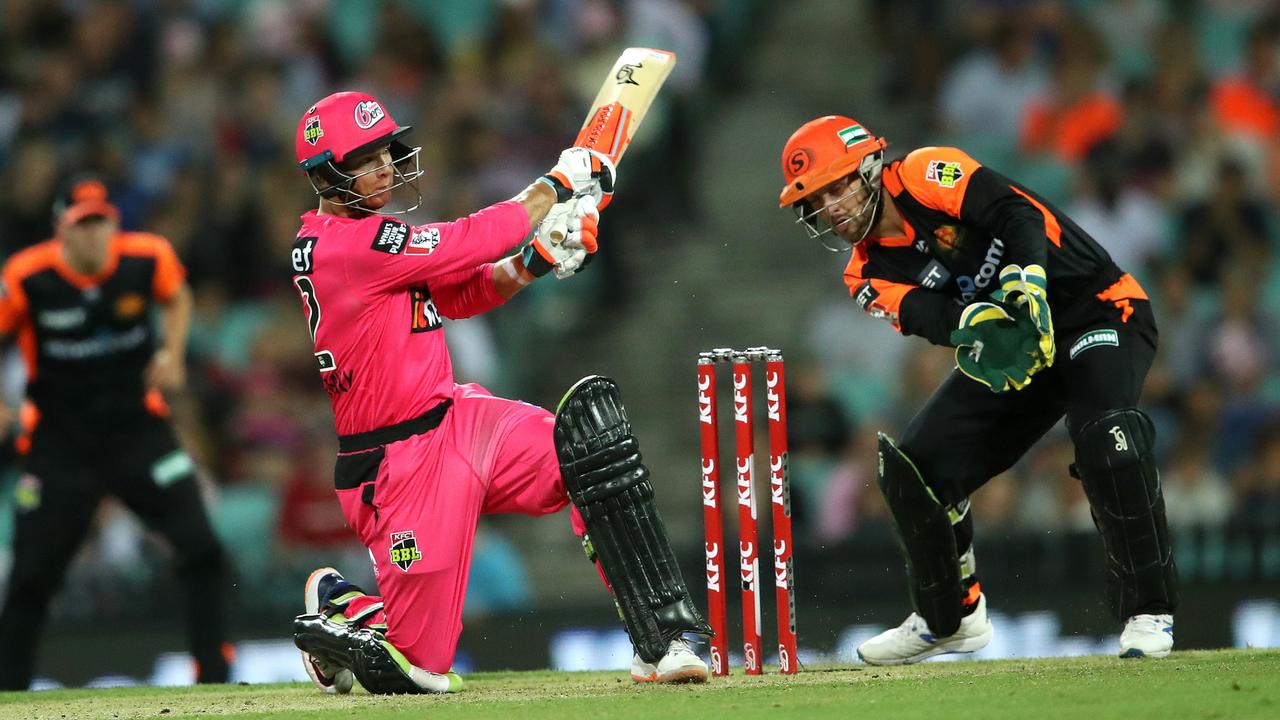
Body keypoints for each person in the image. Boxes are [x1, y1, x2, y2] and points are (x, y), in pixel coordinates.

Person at [288, 91, 710, 694]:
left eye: (385, 151)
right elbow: (470, 242)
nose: (384, 166)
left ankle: (661, 640)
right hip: (395, 466)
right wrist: (555, 185)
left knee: (587, 453)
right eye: (365, 159)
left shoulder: (368, 238)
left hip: (457, 418)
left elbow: (464, 293)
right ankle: (339, 606)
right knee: (418, 670)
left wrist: (537, 261)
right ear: (327, 174)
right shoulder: (349, 246)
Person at [777, 115, 1178, 663]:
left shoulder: (922, 172)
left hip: (1097, 308)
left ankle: (1148, 611)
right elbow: (934, 317)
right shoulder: (863, 275)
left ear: (870, 165)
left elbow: (1014, 213)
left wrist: (1027, 282)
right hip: (1016, 345)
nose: (833, 208)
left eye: (838, 186)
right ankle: (953, 618)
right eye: (817, 200)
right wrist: (979, 326)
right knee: (915, 467)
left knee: (1107, 436)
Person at [0, 179, 229, 688]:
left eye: (101, 220)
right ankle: (9, 692)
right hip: (59, 445)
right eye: (82, 224)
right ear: (61, 230)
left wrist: (171, 351)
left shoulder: (146, 257)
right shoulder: (27, 275)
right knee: (30, 578)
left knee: (203, 548)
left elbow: (177, 295)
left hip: (137, 433)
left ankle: (215, 679)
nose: (94, 233)